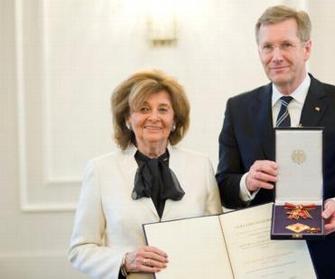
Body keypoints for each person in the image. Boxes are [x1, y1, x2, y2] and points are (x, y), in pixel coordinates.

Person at [216, 5, 335, 278]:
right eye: (267, 47)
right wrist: (246, 183)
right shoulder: (238, 109)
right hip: (262, 262)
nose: (276, 56)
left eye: (286, 44)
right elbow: (224, 184)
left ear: (307, 48)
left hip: (331, 259)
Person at [68, 69, 222, 279]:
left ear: (174, 119)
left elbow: (217, 238)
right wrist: (124, 260)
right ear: (127, 119)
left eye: (163, 109)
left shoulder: (201, 165)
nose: (154, 117)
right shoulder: (100, 170)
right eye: (143, 109)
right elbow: (80, 249)